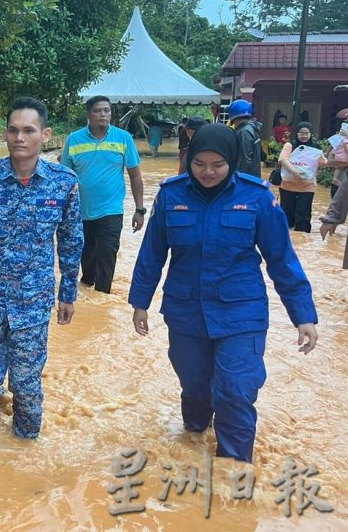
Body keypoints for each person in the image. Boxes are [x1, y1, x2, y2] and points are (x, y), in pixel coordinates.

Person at [129, 123, 318, 464]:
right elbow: (152, 253)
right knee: (195, 387)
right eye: (199, 163)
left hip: (241, 312)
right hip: (186, 312)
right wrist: (139, 302)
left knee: (236, 390)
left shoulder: (257, 198)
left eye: (217, 164)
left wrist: (304, 316)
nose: (207, 172)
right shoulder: (172, 195)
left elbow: (282, 261)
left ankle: (234, 471)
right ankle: (195, 434)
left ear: (232, 160)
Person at [0, 97, 83, 439]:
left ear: (45, 135)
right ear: (5, 134)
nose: (19, 137)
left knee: (27, 385)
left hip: (33, 302)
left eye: (28, 130)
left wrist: (68, 293)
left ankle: (24, 449)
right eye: (13, 130)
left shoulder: (63, 183)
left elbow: (71, 241)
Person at [60, 96, 145, 294]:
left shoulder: (123, 138)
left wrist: (139, 210)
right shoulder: (74, 140)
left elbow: (135, 176)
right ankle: (88, 289)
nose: (104, 114)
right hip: (81, 211)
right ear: (88, 114)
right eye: (98, 111)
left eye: (107, 110)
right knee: (87, 257)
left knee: (108, 255)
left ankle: (102, 298)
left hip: (111, 210)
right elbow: (64, 179)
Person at [277, 121, 327, 233]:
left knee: (303, 215)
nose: (303, 136)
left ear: (311, 134)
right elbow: (282, 159)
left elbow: (322, 161)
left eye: (306, 133)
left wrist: (334, 153)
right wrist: (295, 172)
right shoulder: (290, 145)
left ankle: (303, 239)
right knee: (287, 216)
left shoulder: (316, 147)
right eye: (301, 133)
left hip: (307, 185)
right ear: (296, 133)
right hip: (288, 185)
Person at [227, 99, 262, 177]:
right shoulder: (251, 128)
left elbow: (245, 160)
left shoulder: (244, 132)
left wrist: (237, 178)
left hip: (245, 178)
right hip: (251, 176)